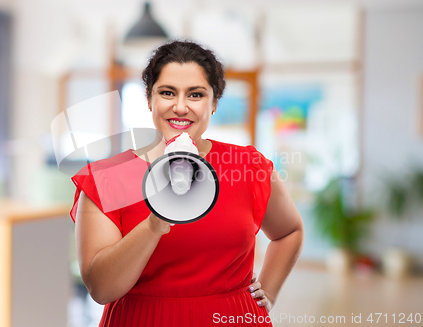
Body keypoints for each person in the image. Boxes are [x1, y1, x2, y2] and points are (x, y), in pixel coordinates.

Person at [70, 40, 304, 326]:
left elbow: (290, 231)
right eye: (167, 92)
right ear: (149, 99)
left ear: (214, 103)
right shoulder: (107, 178)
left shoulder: (247, 166)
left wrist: (268, 291)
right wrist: (154, 223)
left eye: (195, 94)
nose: (180, 107)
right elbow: (101, 288)